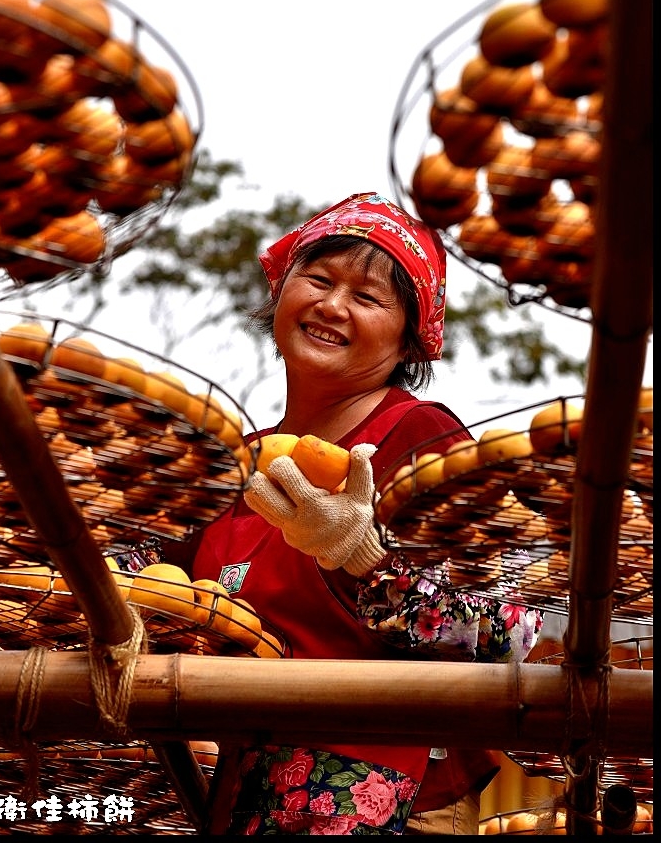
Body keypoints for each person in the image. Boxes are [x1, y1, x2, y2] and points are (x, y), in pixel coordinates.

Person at [168, 191, 543, 835]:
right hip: (222, 794)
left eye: (368, 298)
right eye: (317, 279)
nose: (332, 305)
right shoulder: (233, 459)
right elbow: (147, 584)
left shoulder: (422, 437)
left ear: (408, 343)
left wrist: (363, 559)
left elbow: (511, 629)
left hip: (382, 791)